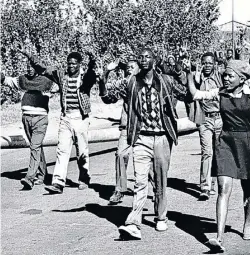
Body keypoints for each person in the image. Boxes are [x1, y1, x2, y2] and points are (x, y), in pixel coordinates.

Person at [185, 59, 250, 253]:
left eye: (230, 76)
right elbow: (195, 94)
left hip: (246, 143)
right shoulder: (219, 93)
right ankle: (219, 237)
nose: (226, 79)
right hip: (226, 142)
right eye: (225, 75)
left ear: (242, 78)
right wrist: (188, 73)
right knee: (223, 187)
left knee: (248, 186)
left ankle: (247, 224)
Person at [99, 48, 187, 238]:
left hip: (163, 137)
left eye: (148, 57)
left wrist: (180, 71)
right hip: (140, 138)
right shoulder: (131, 82)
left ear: (154, 60)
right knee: (140, 181)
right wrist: (104, 75)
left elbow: (186, 93)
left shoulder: (165, 81)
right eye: (141, 57)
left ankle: (161, 217)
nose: (144, 59)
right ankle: (133, 222)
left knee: (160, 181)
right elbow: (107, 97)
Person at [20, 47, 99, 194]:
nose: (71, 66)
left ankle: (83, 178)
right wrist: (29, 55)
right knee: (62, 150)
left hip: (81, 118)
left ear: (79, 64)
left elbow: (91, 75)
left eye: (74, 63)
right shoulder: (62, 75)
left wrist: (92, 60)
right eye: (69, 63)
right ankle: (58, 182)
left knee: (82, 151)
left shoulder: (84, 78)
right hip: (66, 117)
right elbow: (42, 68)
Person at [1, 62, 53, 189]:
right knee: (36, 146)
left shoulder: (47, 81)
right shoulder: (23, 80)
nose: (29, 70)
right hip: (26, 118)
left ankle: (29, 178)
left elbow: (61, 84)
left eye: (32, 68)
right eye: (28, 67)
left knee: (34, 147)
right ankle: (42, 174)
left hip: (40, 119)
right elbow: (7, 81)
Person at [101, 59, 141, 204]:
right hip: (126, 127)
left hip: (143, 129)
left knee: (147, 160)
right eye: (128, 67)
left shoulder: (145, 82)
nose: (129, 69)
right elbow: (107, 96)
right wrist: (105, 73)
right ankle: (119, 189)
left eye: (132, 67)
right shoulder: (123, 83)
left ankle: (156, 190)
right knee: (120, 154)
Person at [188, 52, 223, 200]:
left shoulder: (220, 77)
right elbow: (190, 89)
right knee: (207, 151)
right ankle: (205, 186)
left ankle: (214, 182)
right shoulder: (198, 78)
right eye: (205, 63)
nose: (207, 66)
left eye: (210, 63)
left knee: (218, 151)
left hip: (220, 118)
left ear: (214, 64)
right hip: (205, 119)